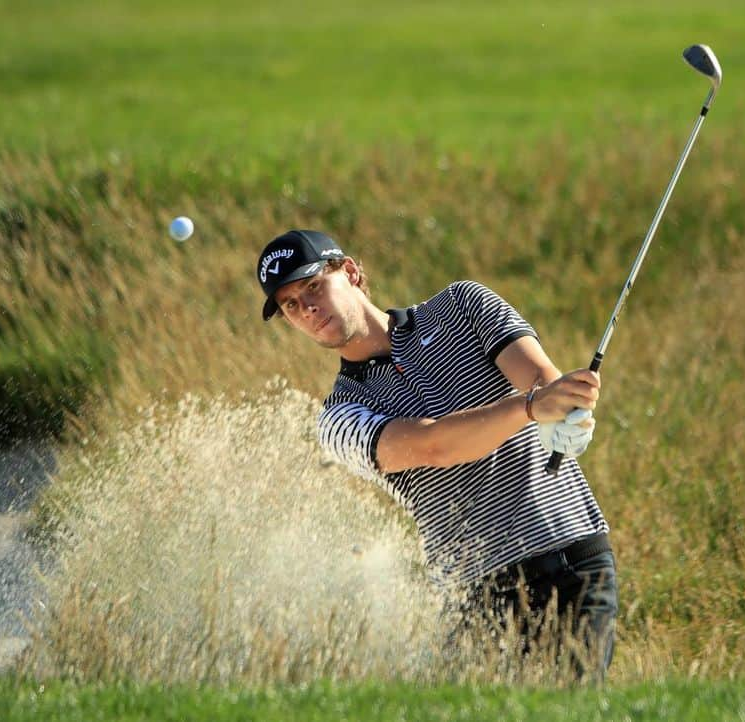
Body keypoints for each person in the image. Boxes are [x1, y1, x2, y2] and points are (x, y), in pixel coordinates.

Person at [255, 229, 618, 680]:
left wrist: (564, 411)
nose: (306, 308)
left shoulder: (462, 305)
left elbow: (540, 378)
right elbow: (434, 446)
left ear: (349, 272)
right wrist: (530, 409)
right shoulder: (338, 416)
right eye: (290, 304)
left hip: (569, 558)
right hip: (475, 597)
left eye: (313, 286)